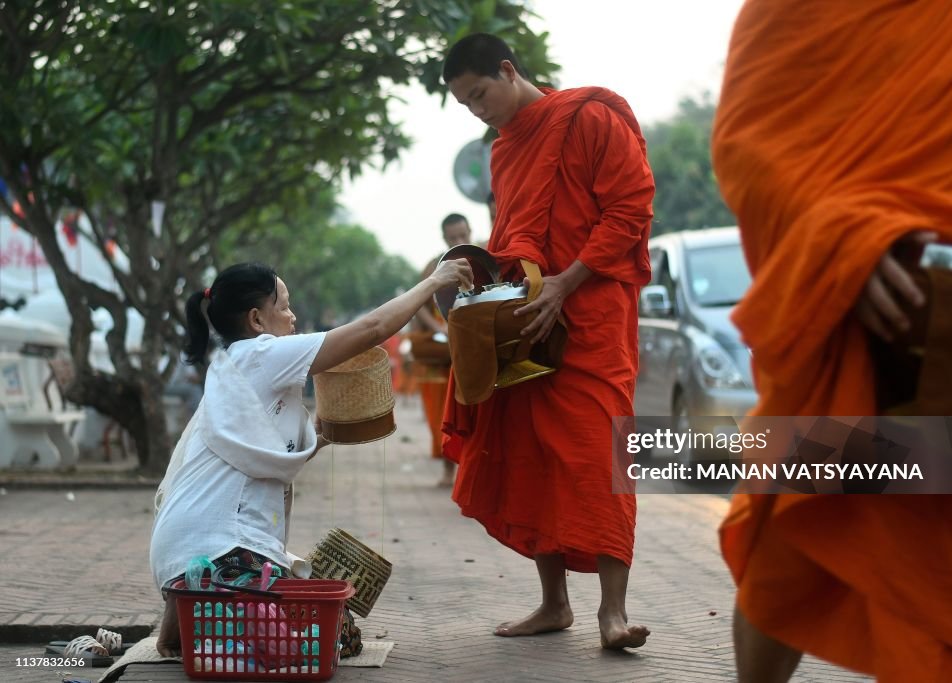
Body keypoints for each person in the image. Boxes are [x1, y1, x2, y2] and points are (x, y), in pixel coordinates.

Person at [711, 2, 952, 681]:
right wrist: (843, 240)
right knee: (786, 548)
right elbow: (747, 150)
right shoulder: (790, 12)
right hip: (845, 318)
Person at [441, 33, 655, 650]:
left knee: (599, 455)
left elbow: (631, 209)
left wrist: (566, 283)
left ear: (508, 71)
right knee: (530, 454)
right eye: (466, 105)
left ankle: (611, 614)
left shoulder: (590, 117)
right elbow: (512, 233)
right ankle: (553, 603)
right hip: (529, 320)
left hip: (590, 317)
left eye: (481, 94)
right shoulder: (505, 151)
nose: (479, 111)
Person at [150, 258, 472, 657]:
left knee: (286, 626)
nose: (293, 315)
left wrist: (320, 436)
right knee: (301, 650)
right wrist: (434, 283)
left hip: (180, 550)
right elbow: (371, 330)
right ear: (256, 319)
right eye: (283, 306)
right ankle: (212, 609)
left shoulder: (231, 366)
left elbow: (261, 455)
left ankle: (184, 619)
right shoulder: (262, 353)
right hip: (219, 551)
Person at [412, 213, 472, 486]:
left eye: (463, 235)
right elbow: (419, 305)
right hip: (443, 350)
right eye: (453, 238)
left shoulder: (481, 261)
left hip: (473, 347)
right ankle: (448, 470)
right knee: (442, 412)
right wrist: (437, 328)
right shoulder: (433, 267)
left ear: (470, 232)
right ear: (444, 239)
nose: (459, 241)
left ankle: (472, 471)